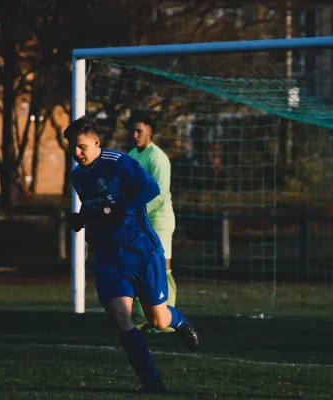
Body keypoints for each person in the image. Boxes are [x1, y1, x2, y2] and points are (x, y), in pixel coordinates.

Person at [64, 115, 199, 394]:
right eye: (73, 148)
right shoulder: (78, 176)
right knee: (119, 315)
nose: (77, 153)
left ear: (96, 142)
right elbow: (95, 207)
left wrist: (122, 208)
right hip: (110, 257)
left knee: (158, 320)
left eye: (81, 147)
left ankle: (182, 323)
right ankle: (152, 383)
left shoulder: (118, 162)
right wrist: (81, 219)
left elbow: (151, 188)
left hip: (142, 252)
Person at [127, 116, 177, 333]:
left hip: (159, 221)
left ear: (150, 132)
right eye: (133, 131)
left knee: (162, 269)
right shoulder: (131, 156)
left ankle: (166, 319)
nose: (134, 135)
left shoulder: (157, 157)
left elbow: (161, 193)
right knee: (139, 267)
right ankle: (142, 316)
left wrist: (137, 210)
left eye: (139, 130)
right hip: (139, 221)